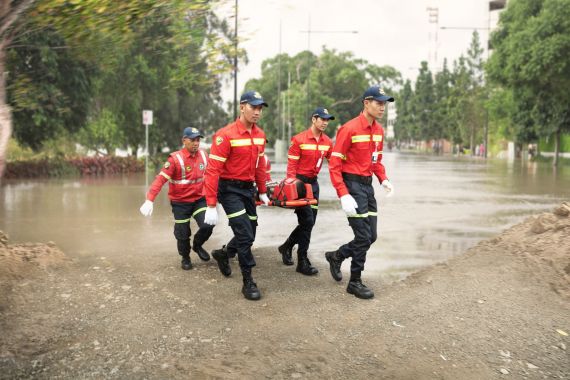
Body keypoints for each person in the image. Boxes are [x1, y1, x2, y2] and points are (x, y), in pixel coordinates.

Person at [325, 86, 395, 299]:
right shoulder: (349, 129)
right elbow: (334, 164)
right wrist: (343, 194)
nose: (382, 107)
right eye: (378, 103)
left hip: (367, 186)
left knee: (371, 236)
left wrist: (384, 179)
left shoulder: (379, 131)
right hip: (352, 186)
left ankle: (337, 256)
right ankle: (354, 281)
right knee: (363, 236)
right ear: (366, 103)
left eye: (384, 103)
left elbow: (376, 162)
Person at [202, 90, 270, 301]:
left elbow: (259, 166)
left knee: (252, 229)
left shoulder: (259, 135)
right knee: (244, 234)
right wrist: (211, 204)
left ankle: (224, 254)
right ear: (242, 107)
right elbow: (212, 170)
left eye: (260, 108)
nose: (257, 112)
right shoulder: (226, 135)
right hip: (229, 189)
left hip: (248, 188)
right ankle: (248, 281)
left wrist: (264, 190)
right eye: (253, 107)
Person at [139, 127, 214, 270]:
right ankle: (185, 257)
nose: (196, 143)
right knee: (182, 233)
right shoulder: (175, 159)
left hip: (199, 199)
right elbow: (160, 179)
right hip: (180, 202)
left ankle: (197, 245)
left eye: (198, 140)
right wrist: (150, 199)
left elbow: (213, 175)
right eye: (192, 140)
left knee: (208, 224)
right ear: (184, 141)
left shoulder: (204, 155)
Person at [278, 107, 334, 276]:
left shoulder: (327, 142)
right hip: (300, 184)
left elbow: (335, 161)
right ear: (313, 119)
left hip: (313, 186)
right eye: (322, 119)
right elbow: (291, 168)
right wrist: (292, 187)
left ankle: (286, 246)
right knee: (308, 221)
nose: (325, 122)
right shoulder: (299, 139)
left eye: (327, 120)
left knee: (309, 222)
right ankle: (302, 260)